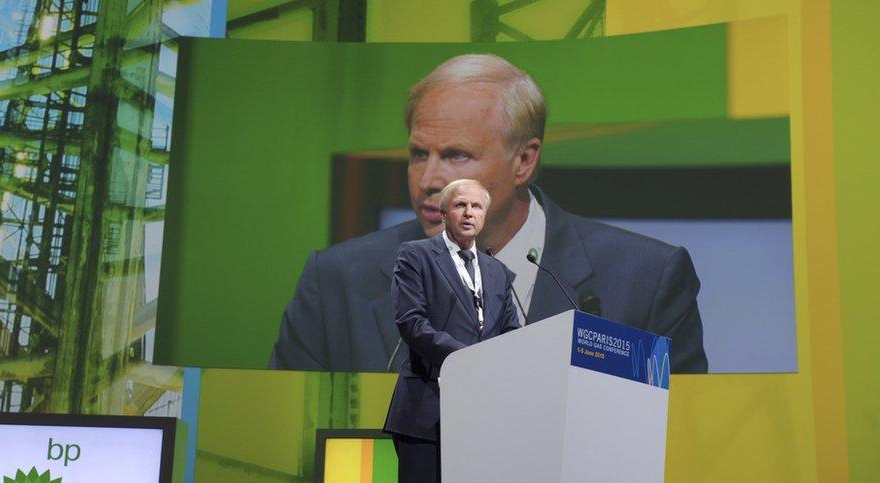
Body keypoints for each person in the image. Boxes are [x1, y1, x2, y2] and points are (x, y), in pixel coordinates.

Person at [270, 53, 707, 374]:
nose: (429, 180)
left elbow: (678, 450)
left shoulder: (646, 282)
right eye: (419, 154)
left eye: (457, 156)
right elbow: (288, 445)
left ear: (523, 161)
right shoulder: (336, 282)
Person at [384, 178, 521, 483]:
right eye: (460, 205)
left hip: (481, 419)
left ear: (485, 215)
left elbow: (512, 335)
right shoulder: (415, 256)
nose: (468, 213)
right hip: (428, 413)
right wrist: (470, 359)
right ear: (444, 213)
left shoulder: (497, 272)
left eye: (476, 207)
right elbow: (411, 323)